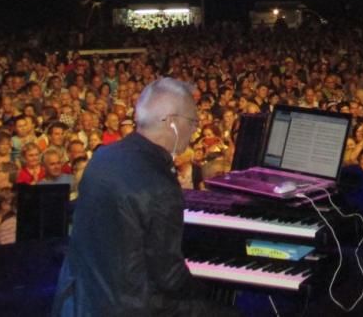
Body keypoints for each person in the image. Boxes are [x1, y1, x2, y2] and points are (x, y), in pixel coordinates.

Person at [52, 77, 233, 316]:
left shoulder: (102, 158)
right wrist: (211, 288)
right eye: (192, 121)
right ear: (172, 123)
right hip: (132, 307)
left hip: (81, 300)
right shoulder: (159, 184)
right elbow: (169, 277)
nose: (195, 129)